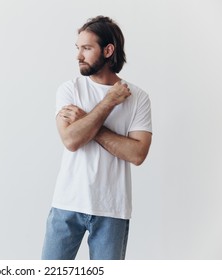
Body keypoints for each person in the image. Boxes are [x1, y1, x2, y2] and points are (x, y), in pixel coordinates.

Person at [41, 16, 152, 260]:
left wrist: (87, 124)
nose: (78, 55)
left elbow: (137, 154)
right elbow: (71, 140)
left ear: (108, 50)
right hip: (67, 203)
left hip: (112, 209)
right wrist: (109, 102)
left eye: (87, 48)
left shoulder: (138, 98)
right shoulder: (70, 89)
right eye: (78, 48)